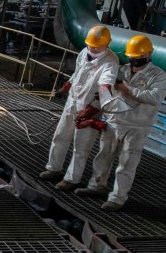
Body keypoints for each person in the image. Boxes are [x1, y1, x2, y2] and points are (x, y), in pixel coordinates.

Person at [75, 34, 166, 210]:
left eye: (138, 59)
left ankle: (117, 198)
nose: (134, 62)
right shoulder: (122, 70)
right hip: (114, 122)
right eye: (132, 58)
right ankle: (96, 186)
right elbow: (108, 92)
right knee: (103, 156)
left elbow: (154, 98)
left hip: (137, 126)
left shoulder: (158, 76)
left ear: (148, 55)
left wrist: (127, 89)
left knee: (127, 162)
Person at [38, 24, 119, 190]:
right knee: (60, 135)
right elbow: (76, 74)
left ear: (106, 45)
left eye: (98, 47)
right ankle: (54, 168)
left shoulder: (111, 62)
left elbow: (106, 85)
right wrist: (64, 88)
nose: (94, 49)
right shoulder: (84, 52)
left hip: (90, 107)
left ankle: (72, 179)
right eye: (92, 45)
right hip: (72, 101)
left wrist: (93, 108)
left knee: (81, 146)